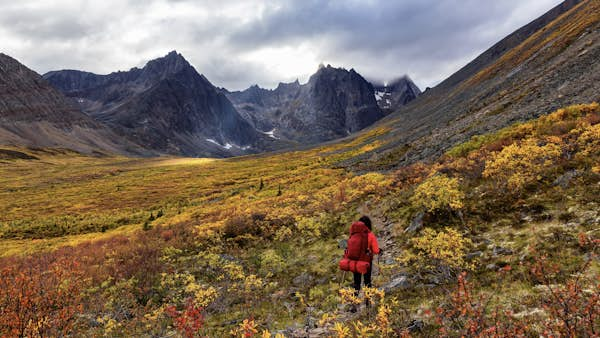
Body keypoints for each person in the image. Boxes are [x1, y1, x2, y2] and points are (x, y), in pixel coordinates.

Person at [353, 215, 382, 294]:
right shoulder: (370, 235)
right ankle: (368, 301)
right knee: (367, 281)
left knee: (356, 282)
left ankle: (354, 301)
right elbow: (376, 250)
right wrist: (379, 251)